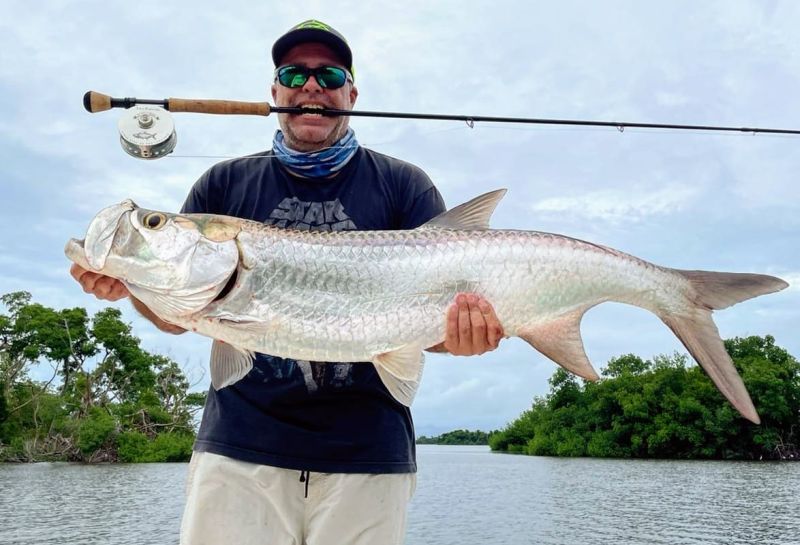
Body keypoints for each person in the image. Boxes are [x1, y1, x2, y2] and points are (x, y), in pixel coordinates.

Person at [70, 19, 504, 545]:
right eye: (294, 74)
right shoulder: (222, 183)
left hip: (369, 457)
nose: (311, 86)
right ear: (275, 92)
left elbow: (428, 329)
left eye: (330, 74)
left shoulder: (403, 185)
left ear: (352, 92)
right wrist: (135, 284)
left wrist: (464, 337)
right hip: (238, 451)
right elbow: (177, 317)